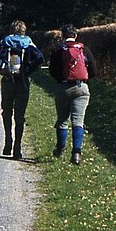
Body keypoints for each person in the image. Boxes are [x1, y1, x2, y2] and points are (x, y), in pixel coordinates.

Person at [49, 23, 97, 165]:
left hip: (63, 87)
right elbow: (94, 71)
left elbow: (52, 71)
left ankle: (60, 148)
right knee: (78, 121)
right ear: (75, 35)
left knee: (62, 120)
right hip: (81, 88)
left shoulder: (58, 50)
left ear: (62, 36)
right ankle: (76, 153)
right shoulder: (84, 50)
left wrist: (61, 80)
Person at [0, 20, 44, 160]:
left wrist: (0, 69)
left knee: (7, 112)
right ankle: (18, 147)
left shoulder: (6, 41)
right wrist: (28, 71)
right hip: (22, 82)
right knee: (20, 115)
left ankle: (8, 141)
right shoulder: (28, 43)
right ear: (24, 30)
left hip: (8, 81)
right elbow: (40, 58)